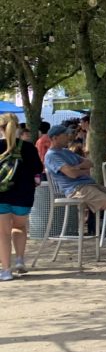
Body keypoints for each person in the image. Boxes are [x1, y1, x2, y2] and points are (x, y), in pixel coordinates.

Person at [45, 124, 106, 262]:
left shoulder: (66, 152)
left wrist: (77, 168)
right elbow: (71, 175)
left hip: (89, 184)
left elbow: (90, 163)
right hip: (76, 189)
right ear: (55, 138)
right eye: (65, 135)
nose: (69, 136)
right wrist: (78, 169)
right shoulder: (52, 156)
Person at [0, 113, 44, 280]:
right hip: (23, 196)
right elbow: (37, 169)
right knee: (19, 227)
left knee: (2, 233)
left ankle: (5, 271)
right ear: (17, 127)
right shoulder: (28, 147)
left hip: (1, 195)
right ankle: (19, 260)